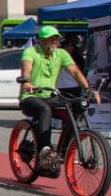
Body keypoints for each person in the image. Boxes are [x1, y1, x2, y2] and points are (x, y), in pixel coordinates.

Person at [19, 25, 100, 175]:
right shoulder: (31, 52)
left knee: (75, 109)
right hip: (31, 97)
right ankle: (45, 150)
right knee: (44, 110)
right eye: (51, 39)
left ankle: (61, 152)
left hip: (50, 96)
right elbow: (26, 68)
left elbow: (74, 71)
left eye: (56, 38)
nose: (55, 41)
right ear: (42, 40)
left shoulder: (61, 54)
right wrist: (27, 82)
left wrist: (88, 89)